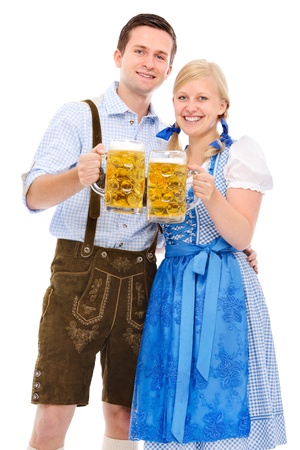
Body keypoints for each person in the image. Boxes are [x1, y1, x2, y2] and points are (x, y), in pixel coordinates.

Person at [22, 14, 258, 450]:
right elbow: (33, 195)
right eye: (140, 51)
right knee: (55, 408)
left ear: (169, 68)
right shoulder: (78, 116)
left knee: (128, 412)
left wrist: (235, 246)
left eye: (160, 56)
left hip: (143, 277)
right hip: (80, 270)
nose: (149, 62)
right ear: (119, 56)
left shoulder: (170, 138)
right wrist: (78, 175)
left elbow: (179, 214)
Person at [129, 59, 287, 449]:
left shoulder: (239, 155)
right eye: (182, 97)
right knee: (176, 394)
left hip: (226, 288)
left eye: (202, 97)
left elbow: (240, 235)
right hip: (174, 290)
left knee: (221, 395)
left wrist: (211, 195)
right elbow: (158, 236)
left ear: (222, 105)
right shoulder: (163, 160)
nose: (191, 106)